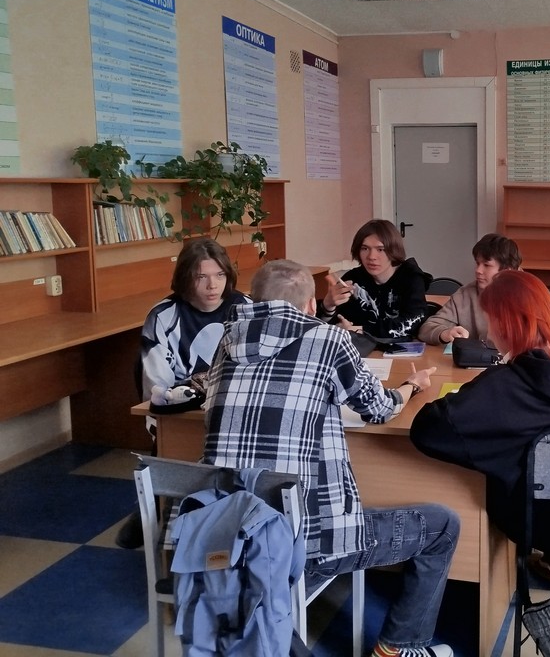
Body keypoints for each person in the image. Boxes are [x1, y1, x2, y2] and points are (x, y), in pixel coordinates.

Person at [204, 259, 459, 657]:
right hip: (302, 545)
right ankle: (398, 648)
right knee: (444, 525)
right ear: (310, 305)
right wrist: (411, 385)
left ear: (255, 299)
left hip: (228, 541)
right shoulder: (329, 339)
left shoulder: (227, 340)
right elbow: (379, 408)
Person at [409, 270, 550, 590]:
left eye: (490, 320)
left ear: (505, 324)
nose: (489, 332)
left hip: (533, 519)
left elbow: (426, 430)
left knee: (489, 466)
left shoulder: (506, 385)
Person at [115, 237, 249, 549]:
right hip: (181, 410)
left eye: (219, 275)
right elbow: (157, 387)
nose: (212, 286)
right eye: (201, 277)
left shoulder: (245, 307)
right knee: (177, 448)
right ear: (186, 277)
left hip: (233, 406)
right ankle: (155, 503)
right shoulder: (164, 315)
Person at [318, 219, 432, 339]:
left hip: (403, 348)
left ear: (394, 250)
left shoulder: (411, 278)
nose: (371, 257)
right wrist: (328, 306)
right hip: (360, 348)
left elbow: (411, 324)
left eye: (380, 249)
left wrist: (358, 330)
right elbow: (330, 325)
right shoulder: (353, 279)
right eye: (365, 248)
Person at [417, 233, 522, 345]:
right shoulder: (464, 295)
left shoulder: (527, 296)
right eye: (477, 263)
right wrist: (445, 333)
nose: (478, 270)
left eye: (486, 265)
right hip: (475, 356)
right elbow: (426, 329)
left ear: (507, 270)